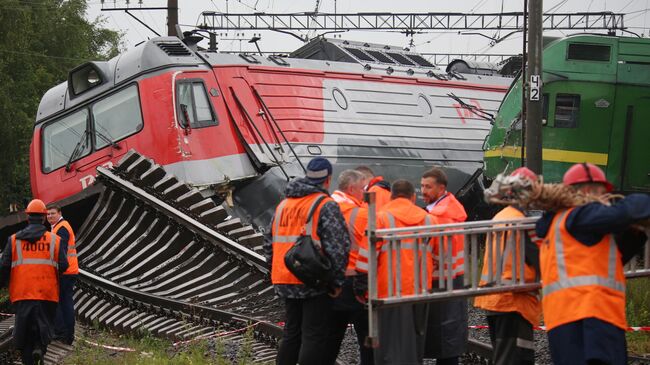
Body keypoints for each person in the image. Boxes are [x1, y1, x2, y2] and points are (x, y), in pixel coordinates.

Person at [535, 163, 650, 365]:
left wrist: (635, 234)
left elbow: (607, 260)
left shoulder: (557, 225)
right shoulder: (580, 215)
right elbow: (625, 212)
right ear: (588, 190)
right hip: (593, 317)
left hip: (562, 323)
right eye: (602, 192)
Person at [263, 157, 351, 365]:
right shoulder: (325, 205)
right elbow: (338, 247)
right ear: (328, 179)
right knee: (314, 335)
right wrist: (336, 282)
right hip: (314, 280)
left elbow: (268, 242)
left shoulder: (283, 204)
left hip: (284, 277)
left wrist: (275, 269)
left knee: (292, 333)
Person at [474, 167, 541, 365]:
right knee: (515, 360)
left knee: (504, 358)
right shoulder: (522, 222)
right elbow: (541, 260)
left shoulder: (503, 216)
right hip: (513, 302)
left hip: (496, 300)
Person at [374, 179, 437, 365]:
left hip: (388, 287)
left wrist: (364, 285)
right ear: (413, 197)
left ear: (392, 196)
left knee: (387, 341)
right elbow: (434, 251)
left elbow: (368, 255)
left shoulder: (380, 218)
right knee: (416, 338)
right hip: (420, 287)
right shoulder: (429, 219)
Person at [0, 199, 68, 365]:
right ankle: (40, 347)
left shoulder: (14, 240)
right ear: (44, 217)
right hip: (47, 293)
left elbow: (4, 267)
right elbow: (64, 265)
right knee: (44, 326)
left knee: (24, 332)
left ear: (27, 216)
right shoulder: (54, 240)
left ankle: (29, 358)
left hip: (22, 293)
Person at [420, 167, 468, 365]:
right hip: (450, 276)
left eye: (428, 187)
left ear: (441, 188)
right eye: (421, 186)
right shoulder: (448, 208)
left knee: (443, 333)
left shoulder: (440, 214)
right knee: (448, 334)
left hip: (440, 278)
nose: (423, 191)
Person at [326, 169, 373, 365]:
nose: (365, 193)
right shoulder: (361, 214)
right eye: (363, 188)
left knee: (329, 339)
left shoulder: (324, 207)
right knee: (367, 338)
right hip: (356, 282)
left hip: (328, 283)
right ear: (352, 188)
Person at [46, 204, 78, 345]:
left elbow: (61, 253)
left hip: (64, 272)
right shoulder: (58, 227)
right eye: (48, 214)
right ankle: (65, 333)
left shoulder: (62, 228)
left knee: (63, 303)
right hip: (67, 271)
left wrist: (55, 270)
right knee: (64, 302)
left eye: (52, 213)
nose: (50, 216)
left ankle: (64, 333)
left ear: (60, 213)